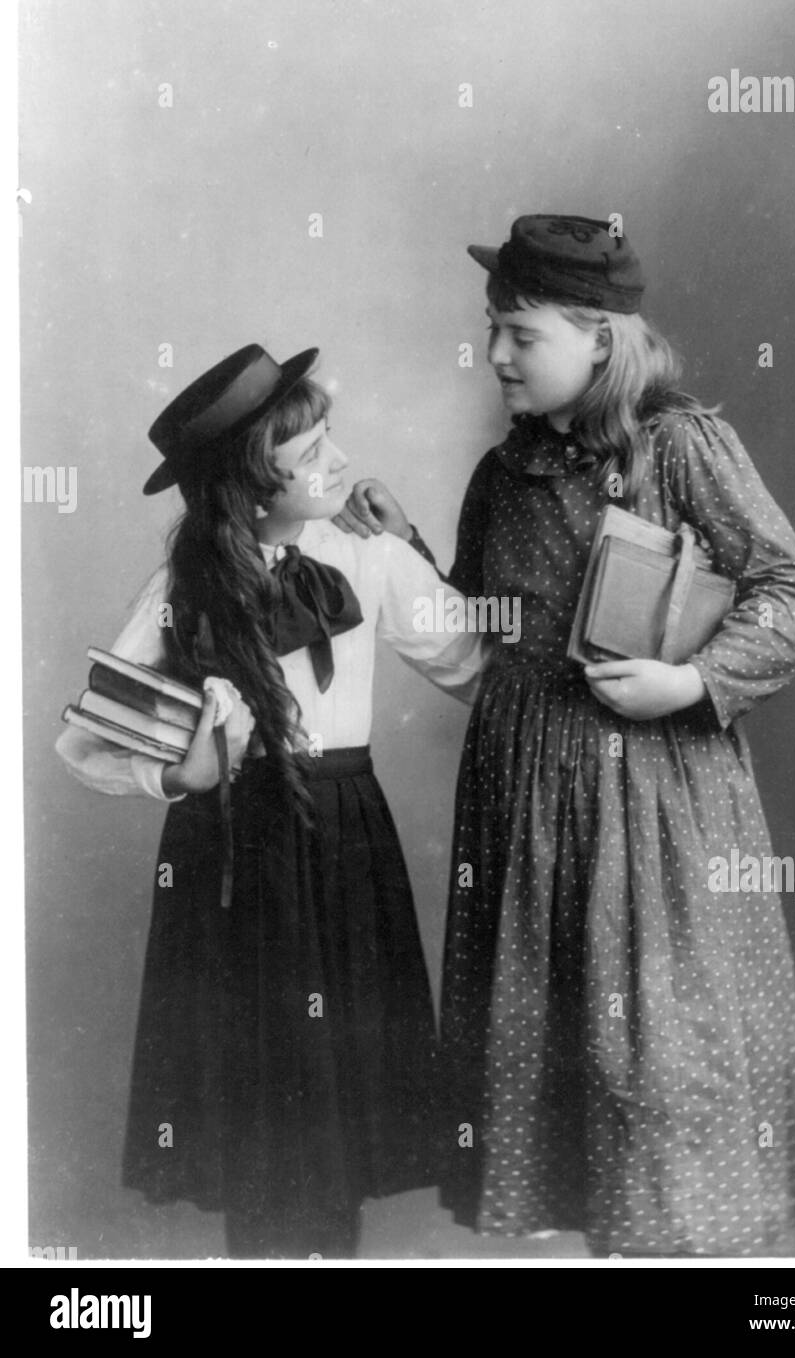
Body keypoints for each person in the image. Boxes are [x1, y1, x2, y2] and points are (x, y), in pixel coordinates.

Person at [336, 215, 795, 1256]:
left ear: (599, 338)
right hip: (524, 806)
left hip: (652, 803)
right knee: (555, 1066)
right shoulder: (499, 475)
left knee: (656, 1062)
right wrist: (406, 548)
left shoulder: (681, 445)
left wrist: (690, 679)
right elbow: (485, 624)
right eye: (492, 330)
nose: (495, 355)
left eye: (519, 332)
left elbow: (794, 595)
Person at [55, 343, 485, 1259]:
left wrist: (412, 546)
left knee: (344, 1101)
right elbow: (84, 740)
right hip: (235, 858)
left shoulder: (364, 558)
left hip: (345, 837)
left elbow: (477, 669)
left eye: (330, 439)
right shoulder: (185, 591)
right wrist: (178, 775)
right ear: (251, 490)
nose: (337, 463)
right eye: (310, 454)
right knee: (264, 1109)